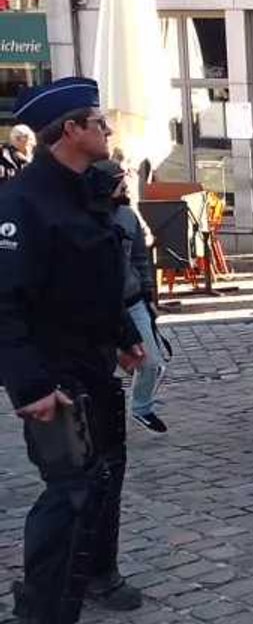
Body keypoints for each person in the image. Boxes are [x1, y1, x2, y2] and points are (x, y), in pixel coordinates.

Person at [2, 78, 148, 622]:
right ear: (71, 130)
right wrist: (30, 385)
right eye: (98, 120)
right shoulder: (23, 201)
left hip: (94, 362)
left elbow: (93, 278)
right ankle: (41, 609)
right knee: (70, 491)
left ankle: (96, 576)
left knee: (107, 473)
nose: (107, 129)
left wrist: (124, 334)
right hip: (54, 373)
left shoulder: (81, 191)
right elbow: (4, 302)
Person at [93, 160, 168, 435]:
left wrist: (148, 296)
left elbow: (140, 258)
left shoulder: (127, 214)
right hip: (97, 308)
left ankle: (142, 408)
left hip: (132, 300)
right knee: (101, 369)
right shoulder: (83, 217)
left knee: (152, 362)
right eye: (118, 181)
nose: (125, 185)